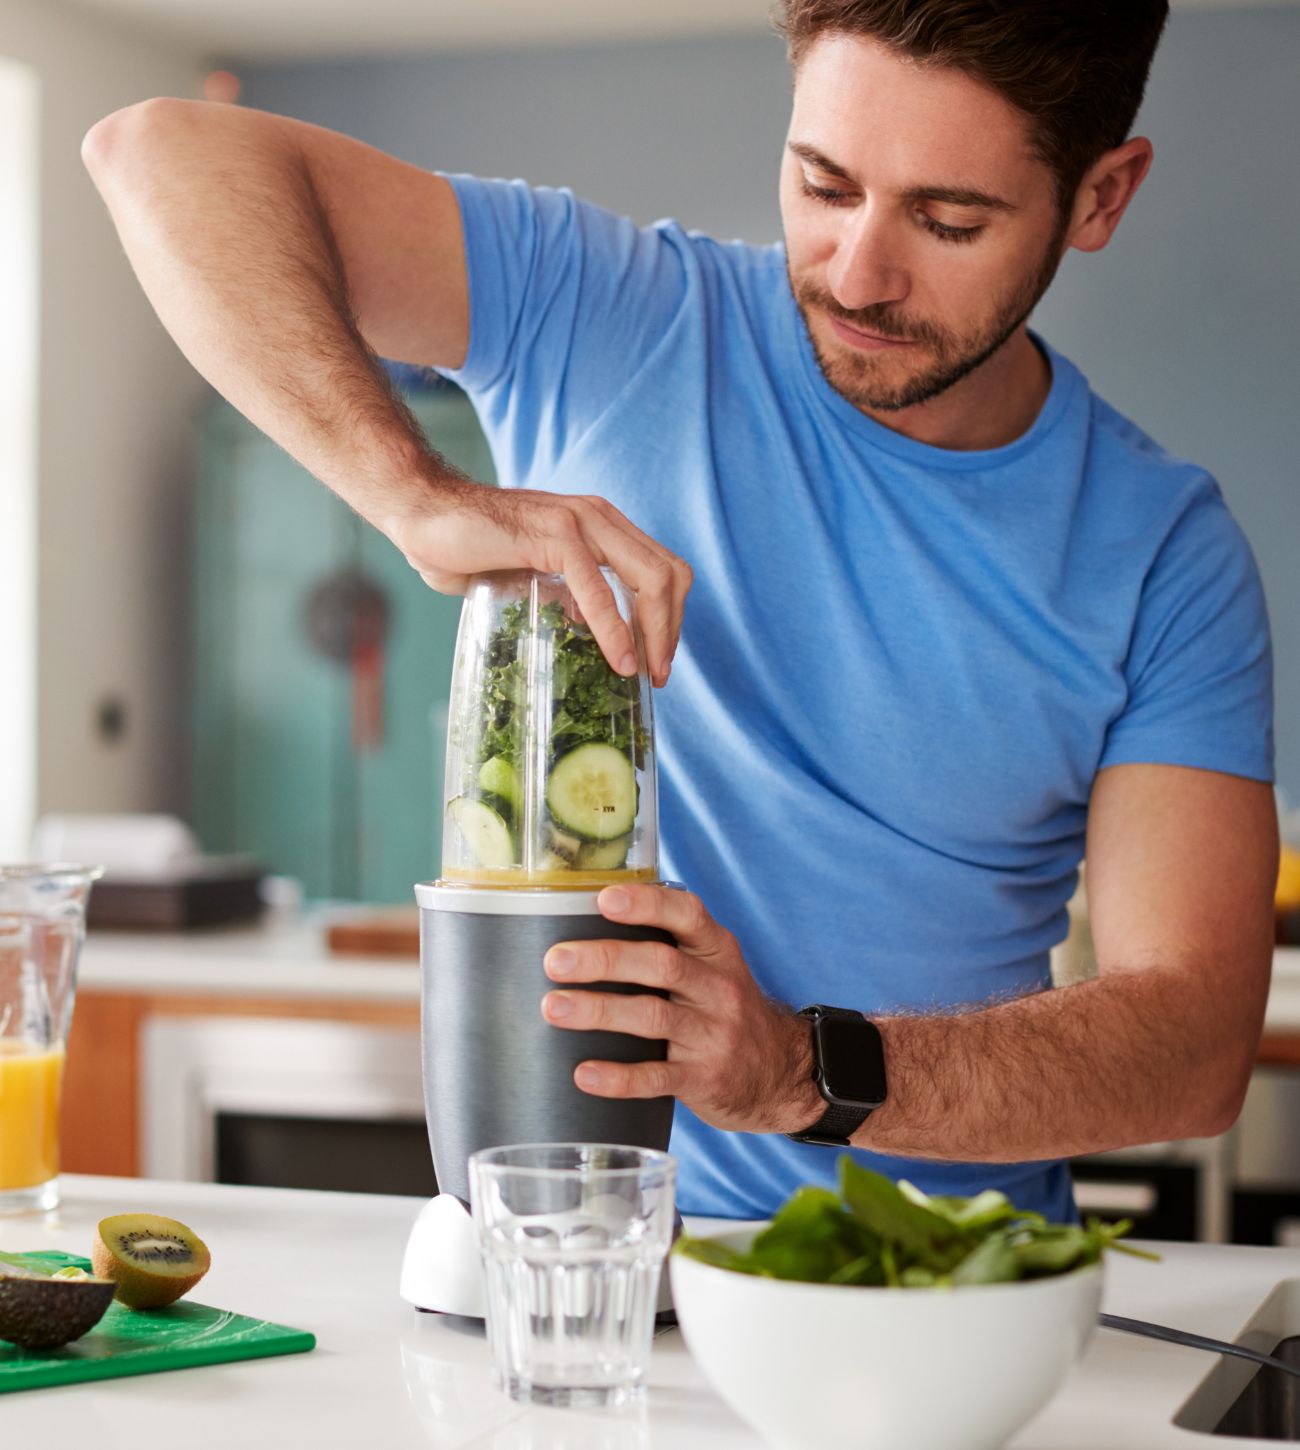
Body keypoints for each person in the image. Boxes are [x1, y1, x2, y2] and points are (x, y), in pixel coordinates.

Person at [83, 0, 1277, 1223]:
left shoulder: (1160, 553)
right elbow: (160, 152)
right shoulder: (611, 310)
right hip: (573, 1275)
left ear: (1099, 197)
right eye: (822, 185)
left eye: (947, 218)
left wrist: (796, 1070)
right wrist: (413, 495)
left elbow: (1188, 1044)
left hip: (952, 1302)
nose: (858, 273)